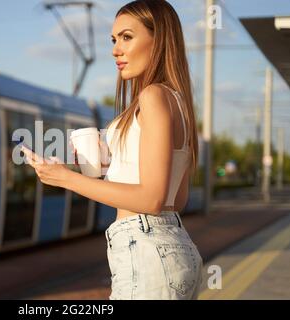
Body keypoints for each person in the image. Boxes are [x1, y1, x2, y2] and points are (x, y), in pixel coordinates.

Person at [22, 0, 203, 300]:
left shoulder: (152, 96)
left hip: (147, 254)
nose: (115, 49)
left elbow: (153, 199)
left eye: (127, 37)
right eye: (114, 39)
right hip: (175, 247)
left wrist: (65, 178)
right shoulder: (178, 102)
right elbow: (176, 198)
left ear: (158, 40)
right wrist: (113, 168)